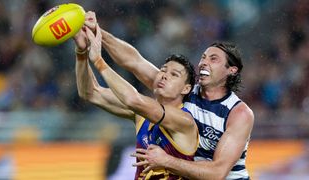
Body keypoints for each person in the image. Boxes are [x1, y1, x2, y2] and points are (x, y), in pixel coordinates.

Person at [96, 13, 254, 180]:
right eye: (203, 57)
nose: (204, 63)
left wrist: (167, 161)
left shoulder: (239, 113)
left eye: (213, 59)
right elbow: (134, 61)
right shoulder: (184, 91)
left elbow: (217, 173)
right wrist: (98, 33)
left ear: (232, 70)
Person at [73, 12, 199, 179]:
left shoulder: (185, 121)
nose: (164, 75)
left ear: (186, 89)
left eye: (174, 74)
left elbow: (133, 99)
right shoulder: (141, 115)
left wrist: (98, 61)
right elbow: (90, 93)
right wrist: (82, 52)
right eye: (163, 70)